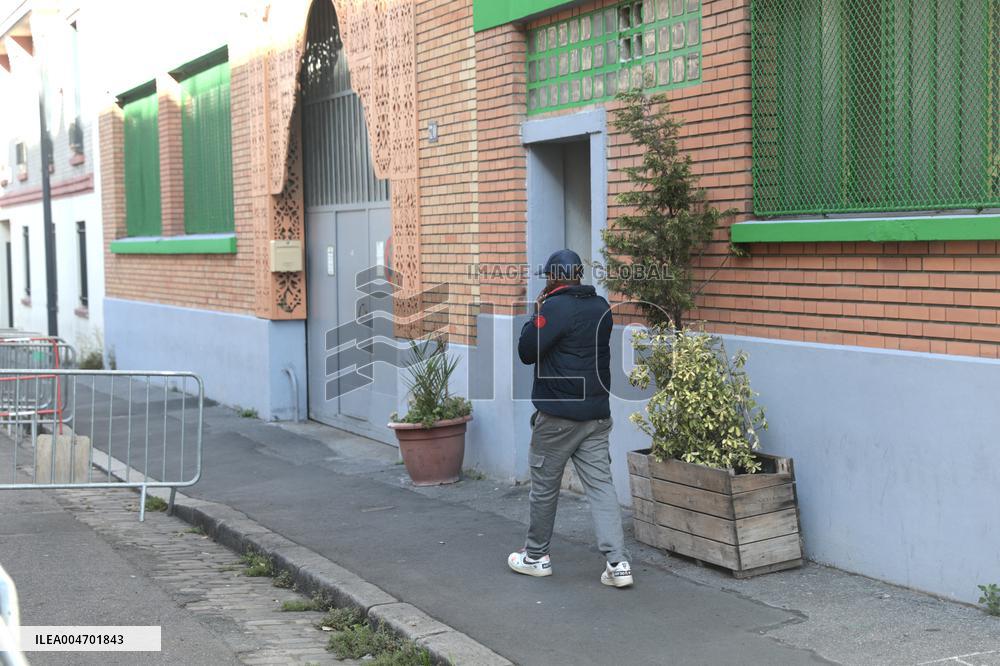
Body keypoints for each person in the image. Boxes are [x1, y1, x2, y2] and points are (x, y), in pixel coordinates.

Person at [508, 249, 633, 588]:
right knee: (601, 487)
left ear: (552, 278)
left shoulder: (553, 308)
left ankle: (535, 557)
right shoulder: (601, 307)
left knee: (545, 488)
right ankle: (618, 564)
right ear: (578, 275)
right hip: (596, 414)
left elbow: (526, 351)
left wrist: (537, 311)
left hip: (558, 416)